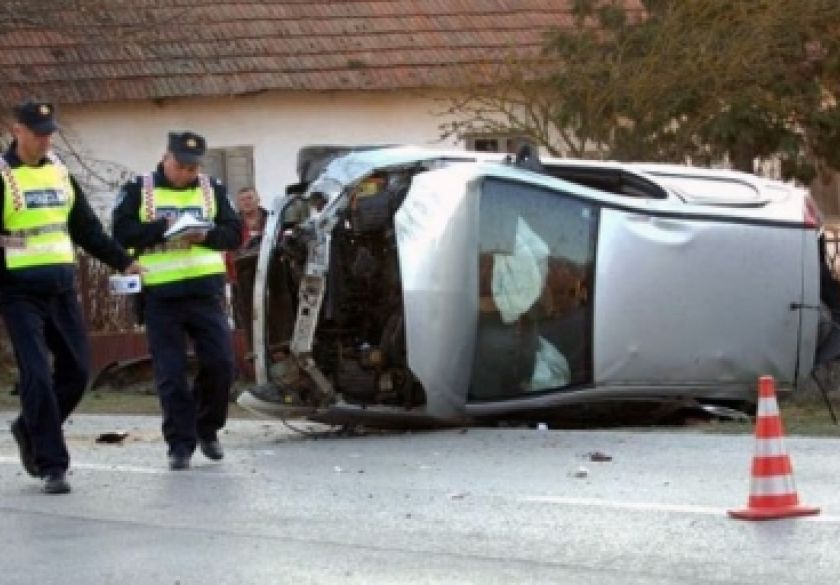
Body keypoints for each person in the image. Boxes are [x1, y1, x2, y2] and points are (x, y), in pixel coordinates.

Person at [1, 100, 142, 494]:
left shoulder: (61, 173)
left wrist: (123, 261)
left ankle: (28, 427)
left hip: (61, 288)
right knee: (36, 376)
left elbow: (85, 228)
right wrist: (16, 246)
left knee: (78, 373)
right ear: (17, 130)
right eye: (38, 133)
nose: (46, 140)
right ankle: (52, 466)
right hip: (17, 291)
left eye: (50, 133)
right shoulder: (3, 176)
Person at [112, 131, 241, 470]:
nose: (186, 173)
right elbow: (121, 233)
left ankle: (206, 427)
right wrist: (162, 228)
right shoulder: (139, 189)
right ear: (166, 158)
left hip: (205, 292)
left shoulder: (212, 189)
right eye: (180, 166)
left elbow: (234, 233)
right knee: (171, 373)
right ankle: (179, 443)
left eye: (192, 168)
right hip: (161, 295)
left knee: (221, 364)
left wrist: (206, 236)